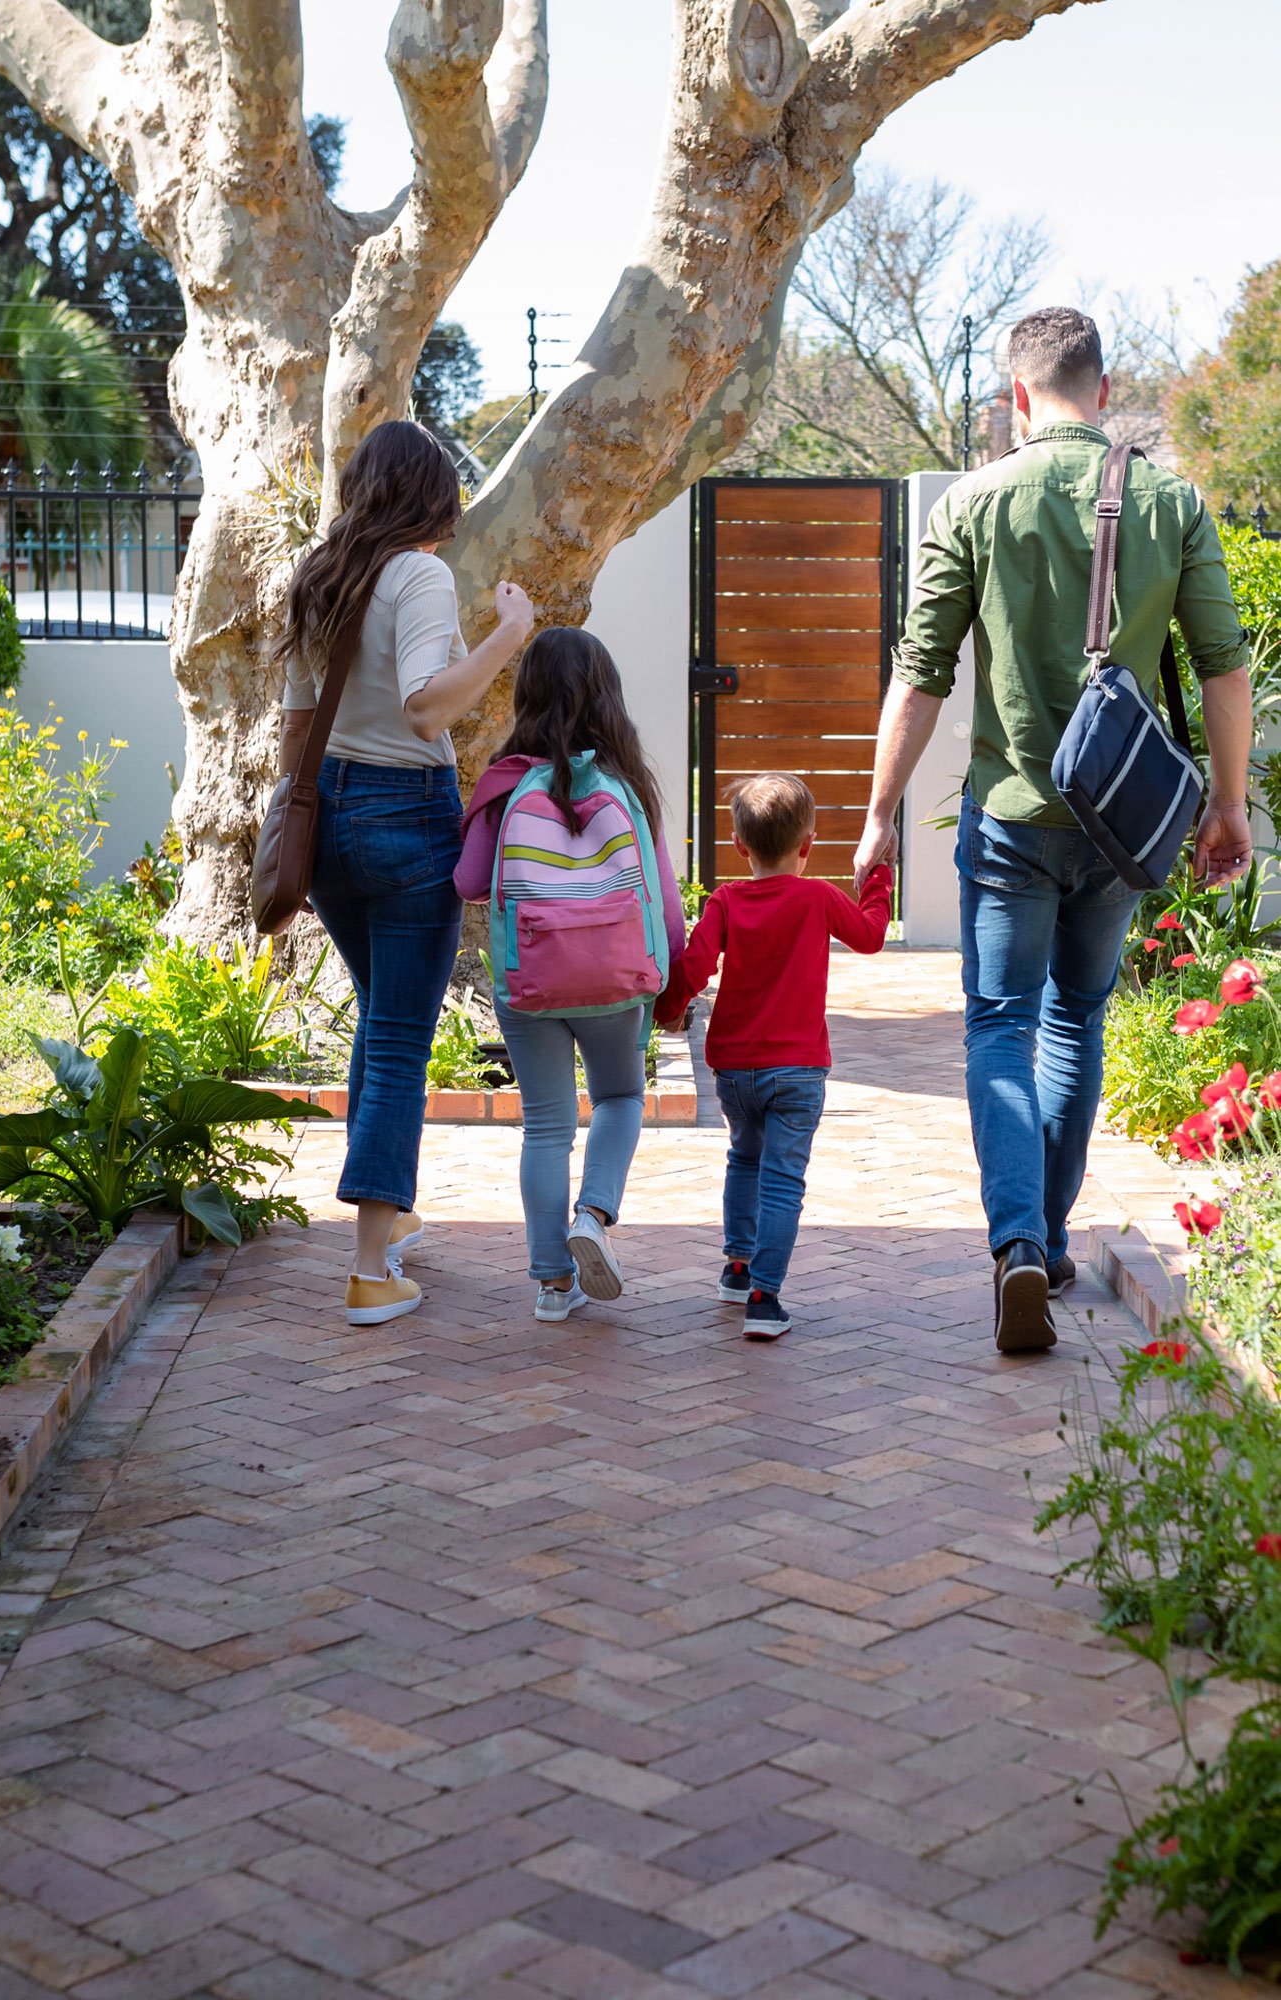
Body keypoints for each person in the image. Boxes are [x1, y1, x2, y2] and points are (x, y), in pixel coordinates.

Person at [852, 306, 1253, 1353]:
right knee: (1074, 1017)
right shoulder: (1168, 500)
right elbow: (1221, 661)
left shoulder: (974, 502)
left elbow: (918, 675)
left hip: (1008, 816)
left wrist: (876, 811)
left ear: (1015, 396)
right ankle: (1049, 1236)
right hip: (1120, 821)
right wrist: (1219, 805)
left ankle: (1016, 1242)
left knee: (997, 1023)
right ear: (1102, 387)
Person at [279, 419, 535, 1327]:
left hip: (328, 823)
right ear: (431, 494)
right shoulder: (419, 574)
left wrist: (294, 820)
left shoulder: (319, 576)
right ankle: (368, 1266)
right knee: (397, 1043)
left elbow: (294, 723)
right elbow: (429, 708)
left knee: (380, 1022)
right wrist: (509, 633)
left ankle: (395, 1209)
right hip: (402, 816)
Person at [455, 629, 684, 1322]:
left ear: (525, 696)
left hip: (530, 982)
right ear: (608, 698)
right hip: (616, 979)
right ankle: (592, 1215)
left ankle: (554, 1284)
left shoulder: (504, 785)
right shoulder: (629, 784)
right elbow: (665, 901)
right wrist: (671, 983)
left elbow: (467, 881)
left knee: (546, 1127)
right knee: (619, 1097)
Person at [659, 776, 892, 1337]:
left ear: (740, 845)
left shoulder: (726, 900)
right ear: (807, 844)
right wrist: (879, 878)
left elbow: (694, 965)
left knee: (744, 1157)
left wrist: (666, 1008)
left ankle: (737, 1267)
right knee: (783, 1180)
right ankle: (765, 1298)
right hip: (799, 1069)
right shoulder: (818, 897)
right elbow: (869, 935)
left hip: (734, 1069)